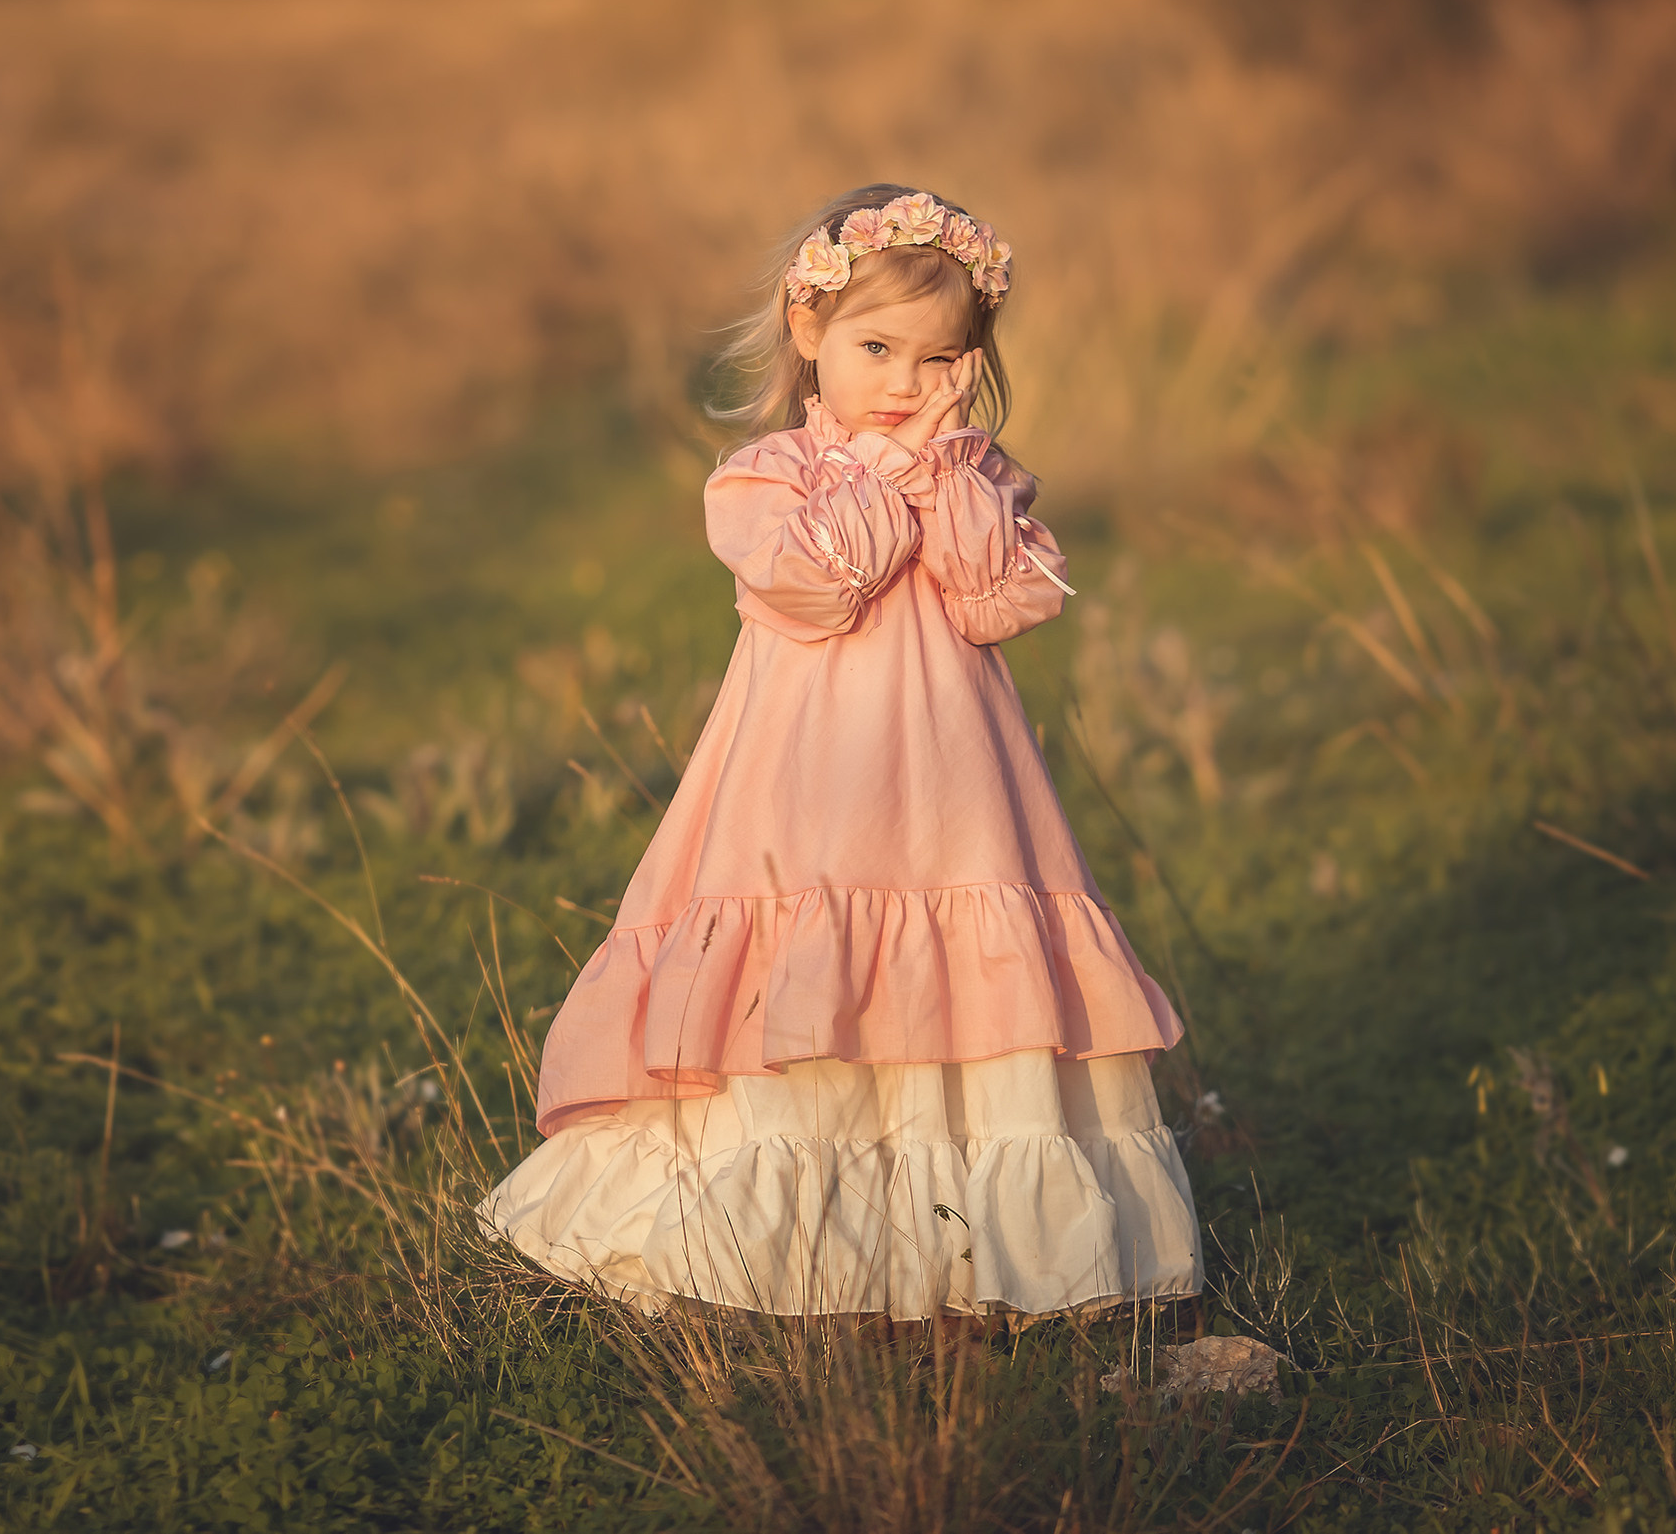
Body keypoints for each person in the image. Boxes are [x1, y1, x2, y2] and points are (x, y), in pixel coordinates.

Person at [480, 183, 1201, 1325]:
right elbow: (817, 583)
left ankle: (974, 1253)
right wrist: (882, 472)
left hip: (954, 792)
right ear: (807, 331)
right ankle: (795, 1251)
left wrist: (948, 470)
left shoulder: (977, 476)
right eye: (877, 348)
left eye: (940, 357)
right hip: (806, 789)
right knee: (813, 976)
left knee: (957, 984)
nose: (905, 383)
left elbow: (1002, 598)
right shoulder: (767, 479)